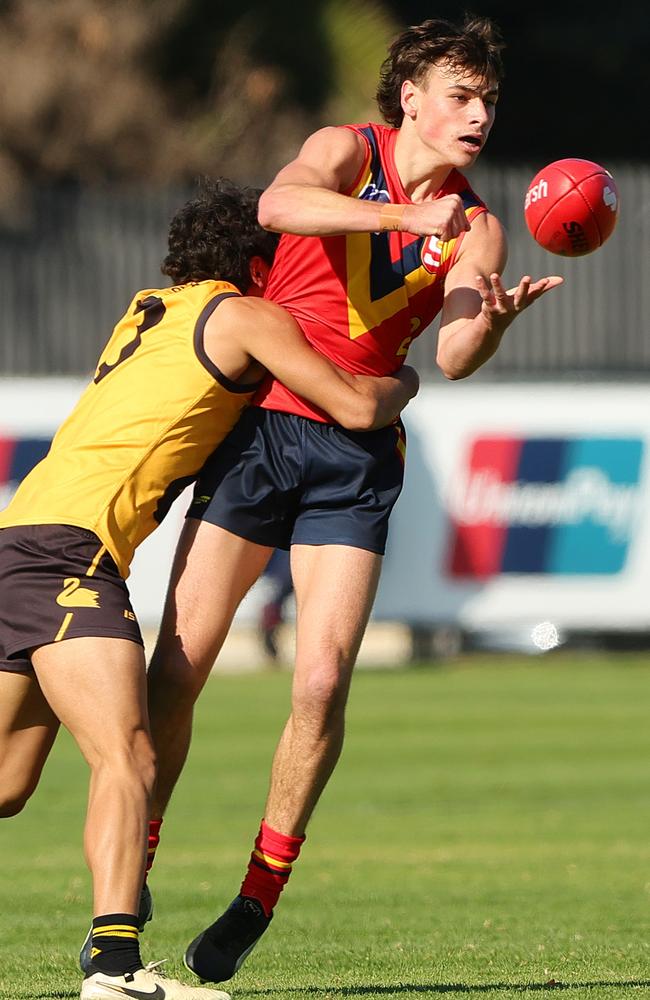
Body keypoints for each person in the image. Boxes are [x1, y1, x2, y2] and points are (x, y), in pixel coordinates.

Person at [141, 13, 564, 986]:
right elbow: (283, 206)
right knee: (180, 667)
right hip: (258, 433)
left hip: (357, 454)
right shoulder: (345, 150)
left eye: (488, 98)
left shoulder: (479, 223)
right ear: (408, 99)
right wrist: (397, 220)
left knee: (323, 680)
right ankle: (140, 850)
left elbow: (452, 354)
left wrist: (490, 324)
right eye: (460, 94)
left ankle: (257, 897)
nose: (478, 113)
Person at [0, 178, 417, 1000]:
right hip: (71, 557)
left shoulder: (147, 307)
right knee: (128, 756)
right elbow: (353, 405)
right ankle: (116, 969)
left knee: (8, 786)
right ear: (261, 264)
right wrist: (406, 382)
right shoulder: (243, 314)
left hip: (18, 539)